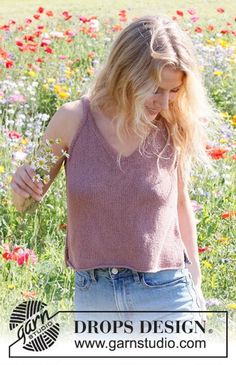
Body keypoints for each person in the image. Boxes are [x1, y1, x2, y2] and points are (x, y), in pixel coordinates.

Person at [10, 15, 217, 330]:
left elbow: (179, 205)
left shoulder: (171, 126)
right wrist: (20, 185)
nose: (164, 102)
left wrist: (197, 284)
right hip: (95, 298)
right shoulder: (71, 120)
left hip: (166, 295)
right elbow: (24, 203)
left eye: (173, 91)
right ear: (126, 74)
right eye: (155, 89)